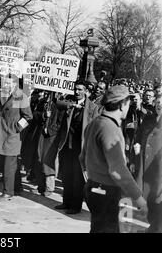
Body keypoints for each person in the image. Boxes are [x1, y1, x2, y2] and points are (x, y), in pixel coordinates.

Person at [80, 85, 147, 233]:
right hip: (106, 192)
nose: (129, 107)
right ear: (122, 104)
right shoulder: (109, 128)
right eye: (128, 103)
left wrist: (92, 179)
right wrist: (138, 197)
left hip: (93, 188)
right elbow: (118, 170)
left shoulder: (95, 123)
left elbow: (82, 158)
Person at [53, 81, 98, 214]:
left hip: (81, 147)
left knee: (78, 178)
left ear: (86, 91)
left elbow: (95, 128)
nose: (77, 92)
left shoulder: (93, 107)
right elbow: (57, 102)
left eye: (80, 90)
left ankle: (75, 205)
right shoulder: (70, 102)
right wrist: (73, 105)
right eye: (75, 89)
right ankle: (66, 202)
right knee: (66, 175)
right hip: (67, 145)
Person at [0, 75, 33, 201]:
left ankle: (8, 192)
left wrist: (17, 128)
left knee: (9, 165)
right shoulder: (4, 94)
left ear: (14, 83)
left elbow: (28, 117)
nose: (5, 84)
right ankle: (17, 187)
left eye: (8, 82)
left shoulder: (20, 95)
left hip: (13, 135)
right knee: (11, 163)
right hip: (3, 133)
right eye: (4, 81)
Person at [140, 96, 162, 232]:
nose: (159, 105)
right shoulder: (150, 119)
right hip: (148, 167)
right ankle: (153, 226)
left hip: (160, 171)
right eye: (158, 103)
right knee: (149, 199)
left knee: (157, 201)